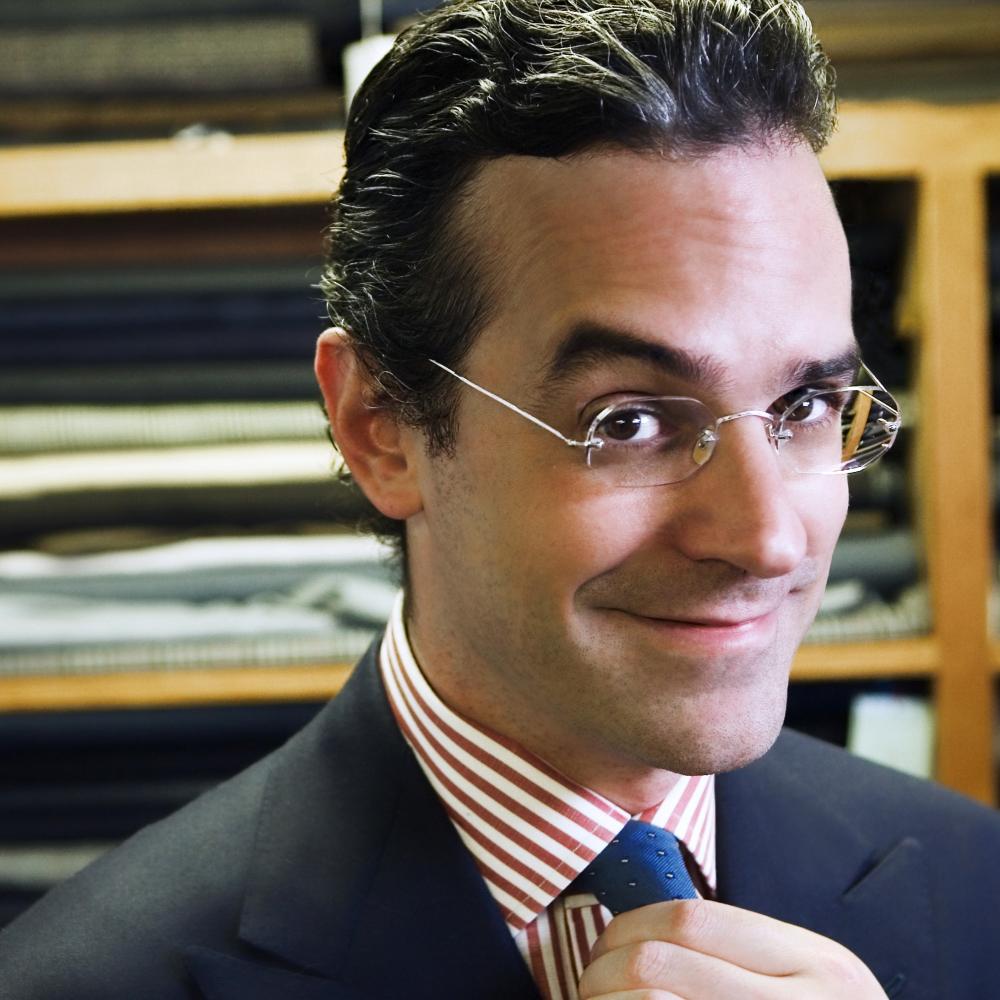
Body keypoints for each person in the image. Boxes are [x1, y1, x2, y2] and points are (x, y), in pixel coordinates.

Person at [2, 1, 999, 997]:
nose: (768, 537)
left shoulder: (977, 887)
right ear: (379, 425)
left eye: (805, 403)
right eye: (627, 421)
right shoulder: (82, 980)